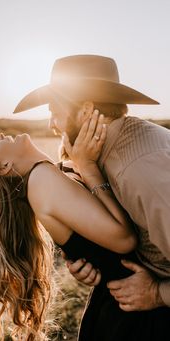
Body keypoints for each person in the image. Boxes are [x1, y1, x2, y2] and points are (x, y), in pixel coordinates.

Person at [0, 119, 138, 341]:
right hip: (134, 313)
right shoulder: (42, 180)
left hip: (121, 304)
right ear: (4, 167)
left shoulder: (48, 174)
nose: (0, 135)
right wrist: (88, 167)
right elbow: (125, 239)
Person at [13, 54, 170, 340]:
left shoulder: (141, 170)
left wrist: (158, 293)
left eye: (55, 111)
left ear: (86, 111)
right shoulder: (99, 153)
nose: (52, 124)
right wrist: (87, 256)